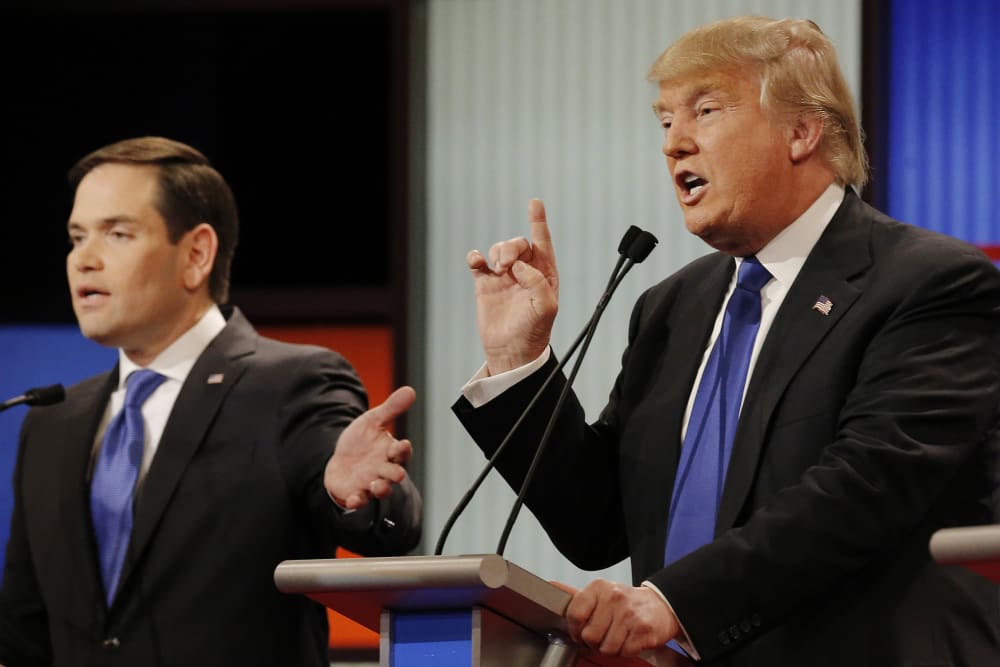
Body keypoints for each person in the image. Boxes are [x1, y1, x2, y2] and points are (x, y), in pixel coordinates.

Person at [453, 15, 1000, 666]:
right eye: (664, 121)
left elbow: (864, 490)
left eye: (705, 110)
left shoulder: (930, 283)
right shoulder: (671, 307)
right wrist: (519, 360)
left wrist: (670, 602)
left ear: (802, 130)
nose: (673, 144)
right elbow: (598, 521)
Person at [0, 136, 422, 667]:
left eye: (117, 233)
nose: (83, 259)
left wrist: (357, 499)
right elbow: (22, 632)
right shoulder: (51, 421)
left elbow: (390, 528)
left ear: (196, 254)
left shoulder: (290, 385)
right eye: (76, 237)